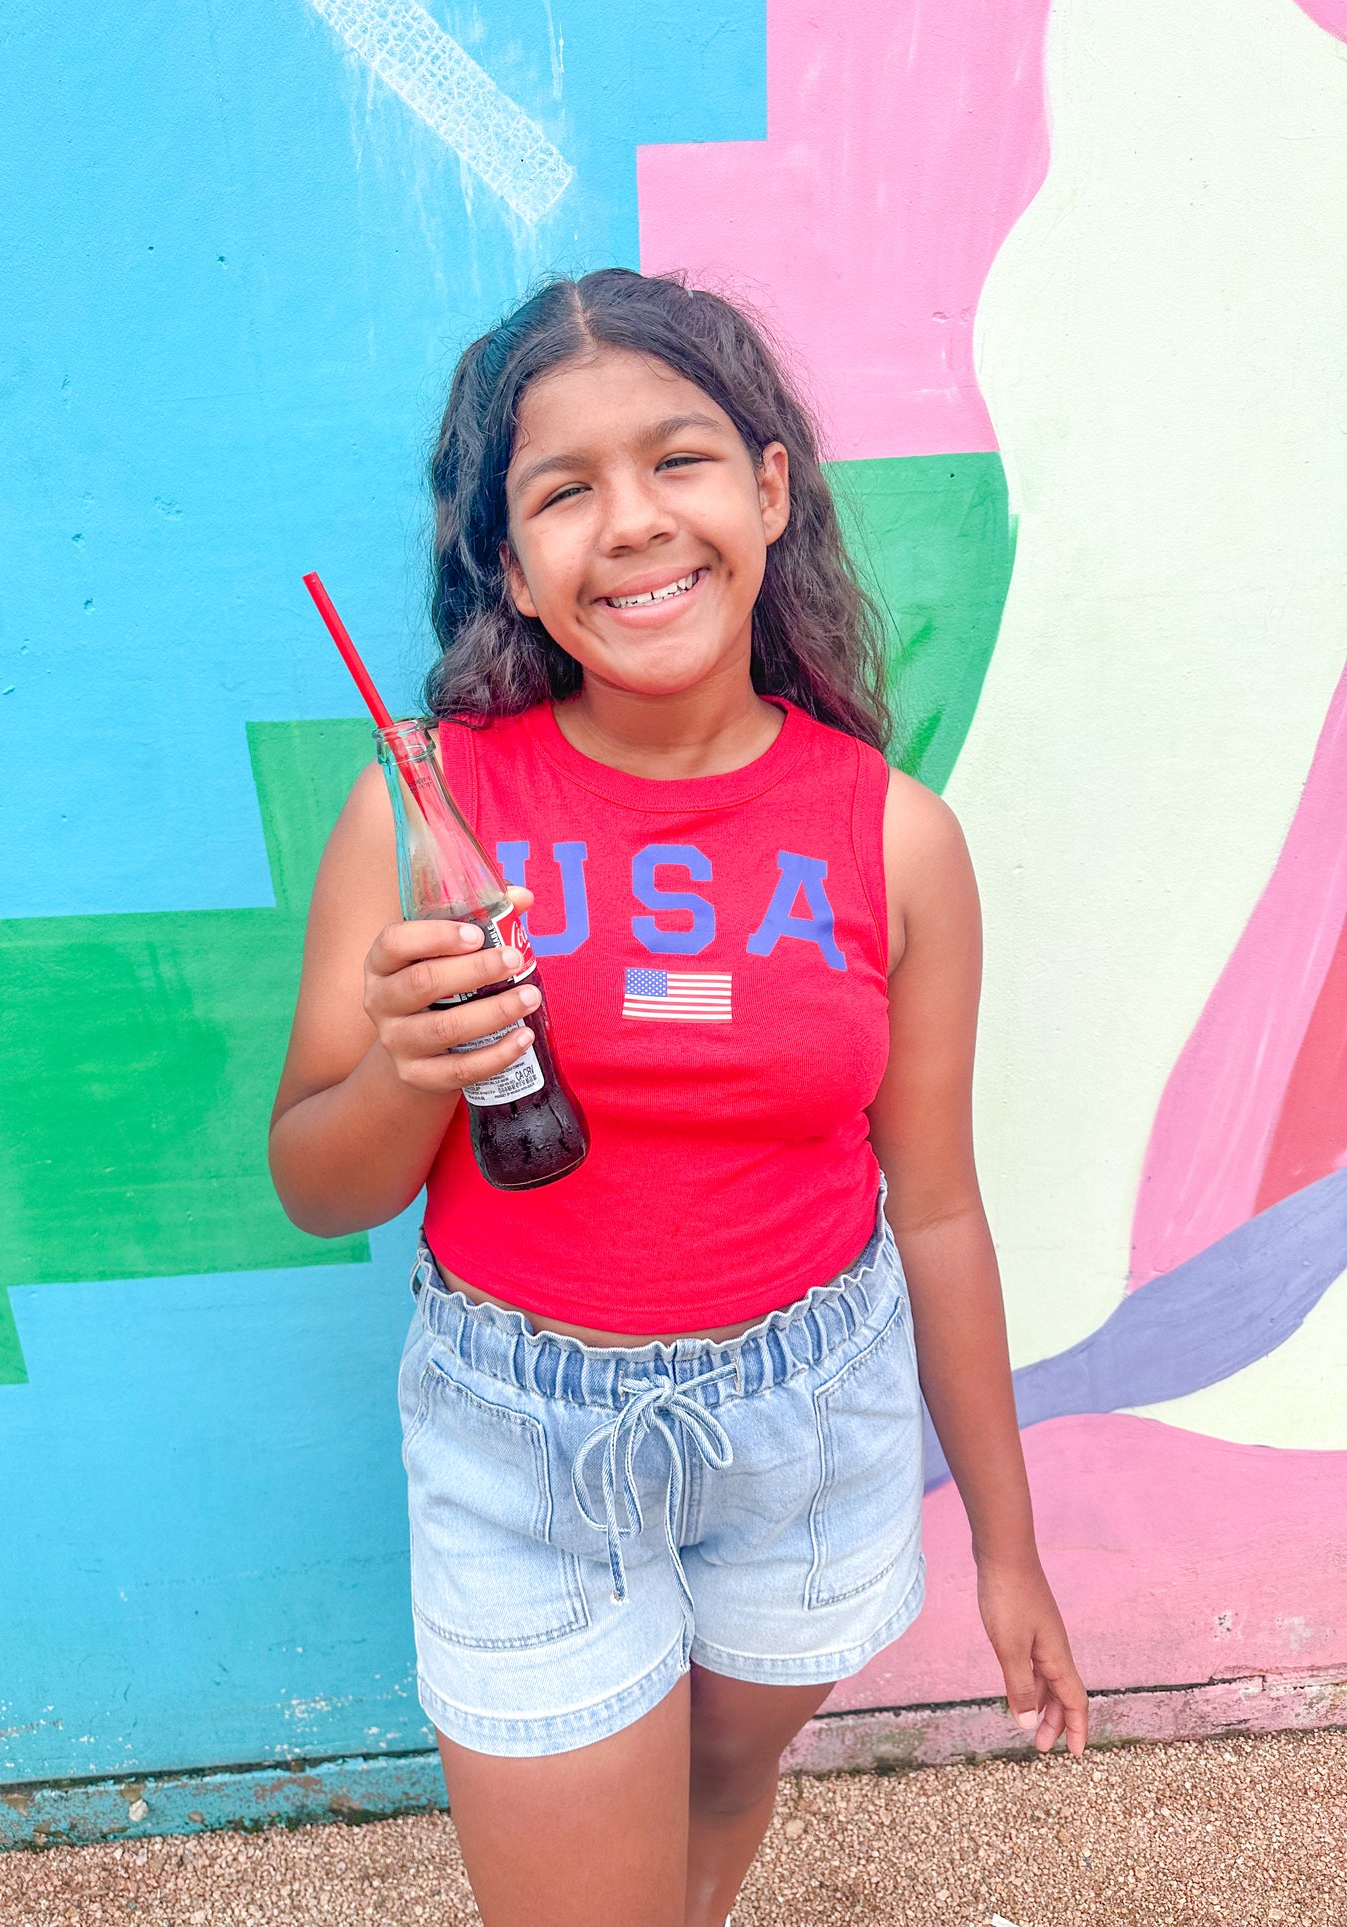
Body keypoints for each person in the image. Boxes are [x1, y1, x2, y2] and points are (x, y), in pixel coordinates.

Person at [268, 268, 1088, 1927]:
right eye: (562, 490)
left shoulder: (893, 837)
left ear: (771, 489)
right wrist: (406, 1069)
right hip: (523, 1443)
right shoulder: (424, 813)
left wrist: (1008, 1546)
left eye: (680, 461)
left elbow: (931, 1202)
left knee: (718, 1804)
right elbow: (319, 1185)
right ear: (506, 561)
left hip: (807, 1424)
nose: (631, 524)